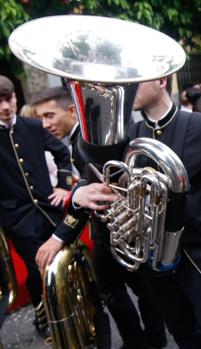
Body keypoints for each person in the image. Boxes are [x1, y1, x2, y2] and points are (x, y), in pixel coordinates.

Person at [32, 86, 168, 349]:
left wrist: (59, 234)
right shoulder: (79, 140)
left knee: (118, 291)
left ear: (73, 111)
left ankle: (141, 342)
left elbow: (94, 193)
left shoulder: (87, 141)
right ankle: (153, 339)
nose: (45, 124)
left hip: (116, 231)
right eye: (41, 118)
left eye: (50, 115)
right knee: (137, 290)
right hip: (115, 230)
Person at [130, 76, 201, 349]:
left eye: (135, 82)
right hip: (155, 257)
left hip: (200, 250)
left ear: (161, 81)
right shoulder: (133, 132)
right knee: (183, 334)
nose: (128, 89)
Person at [0, 75, 72, 335]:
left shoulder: (32, 125)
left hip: (48, 209)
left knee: (65, 263)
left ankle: (71, 314)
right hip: (18, 219)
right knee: (38, 269)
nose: (5, 107)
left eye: (8, 99)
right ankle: (46, 318)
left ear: (15, 97)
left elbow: (63, 153)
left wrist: (63, 184)